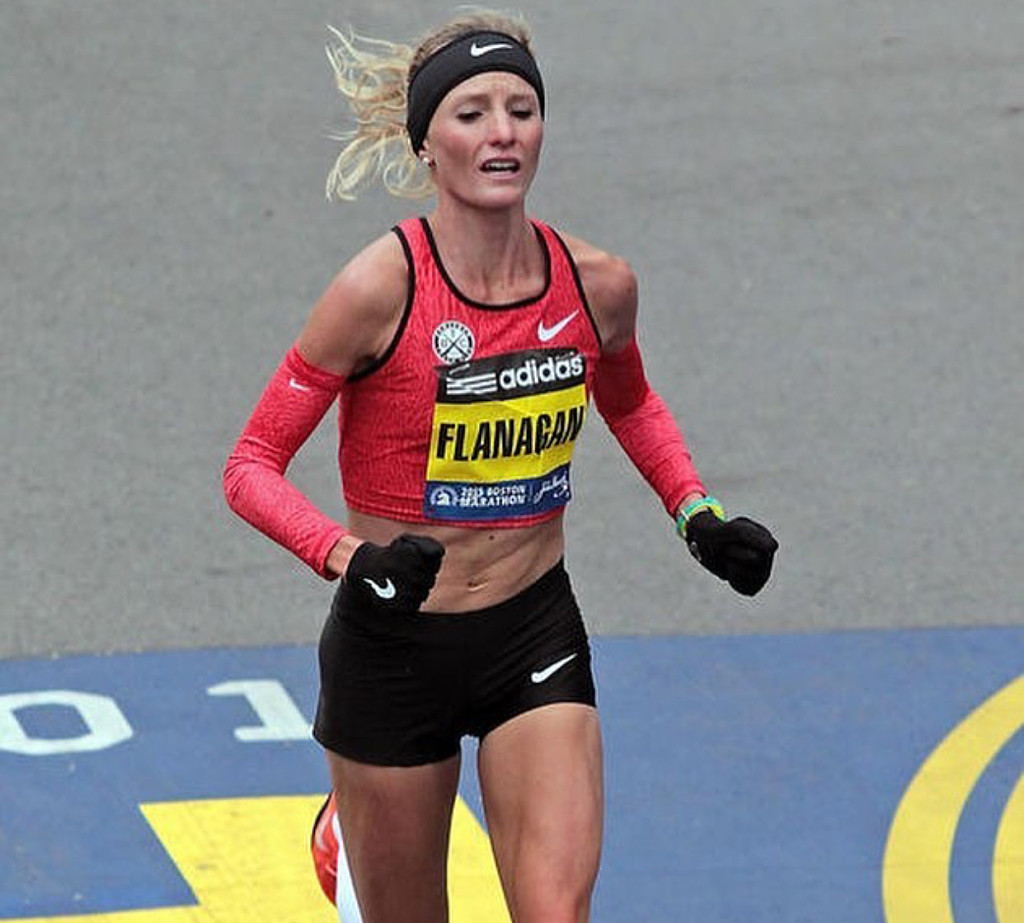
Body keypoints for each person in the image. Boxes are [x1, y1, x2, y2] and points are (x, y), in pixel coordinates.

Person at [223, 10, 778, 923]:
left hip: (531, 629)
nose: (503, 133)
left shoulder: (597, 284)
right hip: (394, 649)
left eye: (522, 110)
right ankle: (346, 826)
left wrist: (697, 513)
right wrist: (352, 559)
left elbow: (631, 401)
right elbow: (250, 465)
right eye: (472, 113)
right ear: (427, 143)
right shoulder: (377, 290)